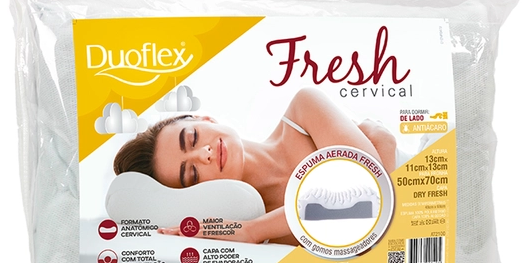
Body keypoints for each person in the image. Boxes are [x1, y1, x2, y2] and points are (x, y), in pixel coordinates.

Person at [113, 88, 396, 245]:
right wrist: (382, 146)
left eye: (193, 137)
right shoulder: (266, 231)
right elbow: (374, 222)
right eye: (193, 174)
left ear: (206, 119)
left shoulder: (303, 110)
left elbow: (368, 187)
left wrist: (254, 231)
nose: (204, 154)